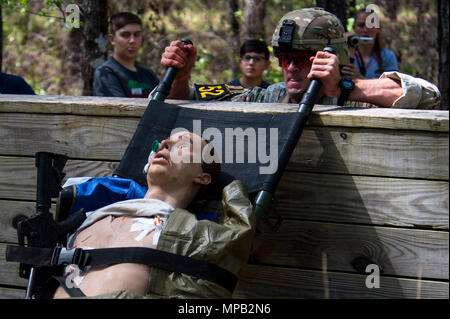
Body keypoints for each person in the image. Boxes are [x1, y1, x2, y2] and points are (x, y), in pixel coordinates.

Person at [53, 130, 254, 298]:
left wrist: (233, 189)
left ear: (202, 177)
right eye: (165, 142)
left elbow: (237, 236)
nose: (164, 144)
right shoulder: (93, 217)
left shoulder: (196, 236)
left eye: (183, 144)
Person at [160, 8, 440, 109]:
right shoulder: (268, 97)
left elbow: (429, 95)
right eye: (285, 59)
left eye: (303, 59)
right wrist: (181, 76)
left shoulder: (355, 101)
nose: (291, 68)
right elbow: (188, 98)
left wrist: (345, 88)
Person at [93, 12, 159, 98]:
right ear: (112, 39)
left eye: (137, 34)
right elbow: (118, 109)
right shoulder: (106, 73)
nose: (132, 40)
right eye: (125, 35)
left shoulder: (148, 74)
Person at [341, 9, 399, 79]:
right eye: (361, 25)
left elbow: (391, 86)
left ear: (378, 28)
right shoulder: (344, 54)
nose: (365, 30)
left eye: (370, 26)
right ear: (354, 28)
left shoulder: (387, 56)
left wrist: (360, 78)